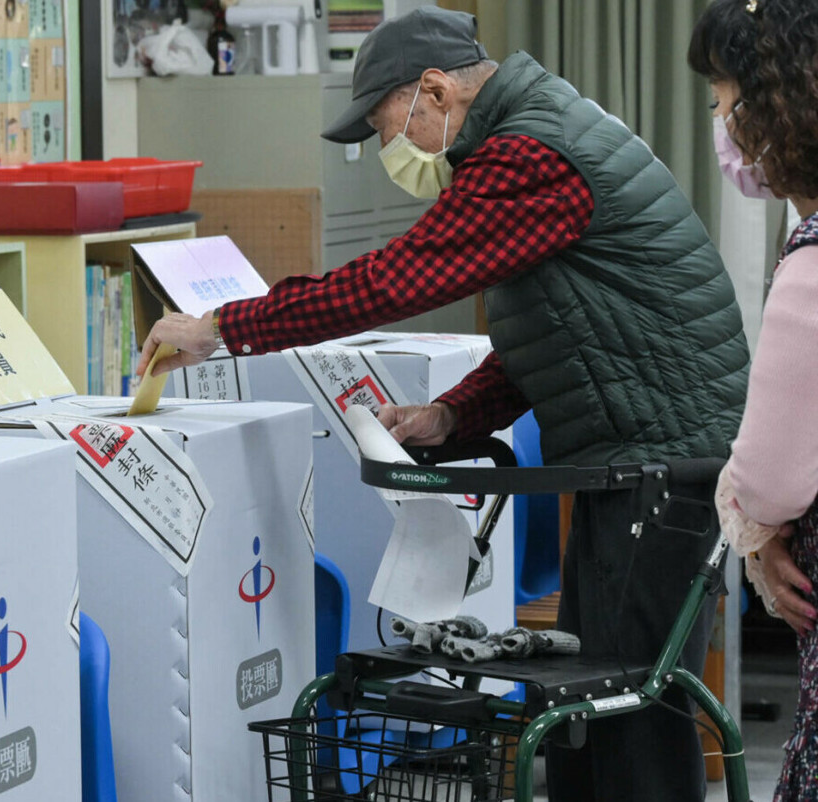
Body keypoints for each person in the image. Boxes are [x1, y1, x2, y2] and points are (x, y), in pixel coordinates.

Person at [138, 7, 750, 801]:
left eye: (386, 124)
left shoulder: (530, 152)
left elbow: (396, 278)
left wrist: (226, 326)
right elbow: (569, 328)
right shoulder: (537, 132)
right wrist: (454, 415)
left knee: (628, 717)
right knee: (590, 710)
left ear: (433, 91)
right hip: (637, 458)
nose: (388, 148)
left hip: (660, 464)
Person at [691, 1, 818, 798]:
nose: (721, 123)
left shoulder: (809, 269)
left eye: (722, 99)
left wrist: (752, 532)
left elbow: (769, 479)